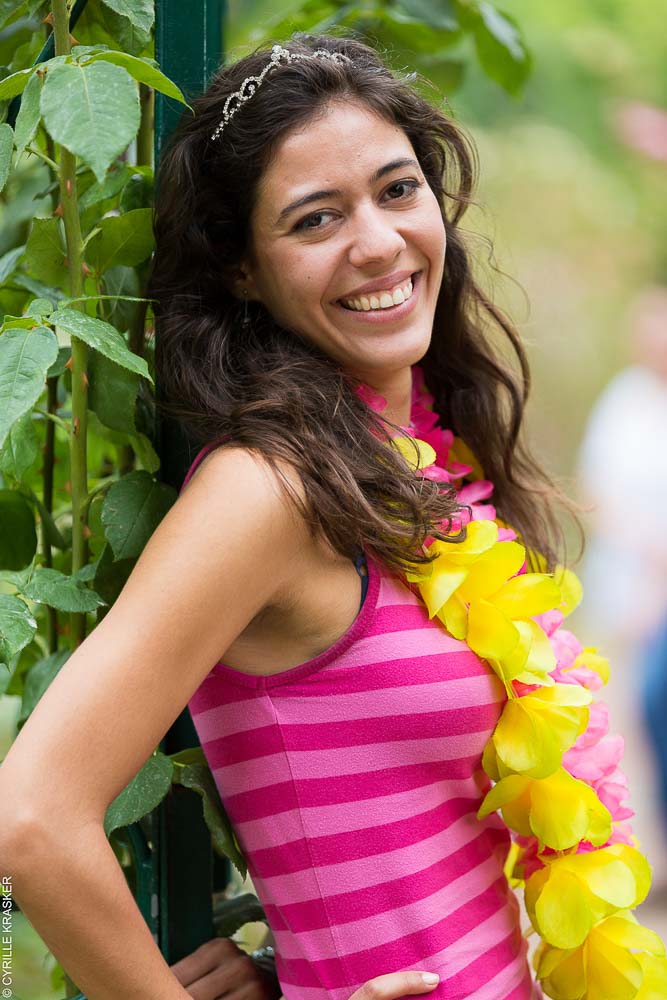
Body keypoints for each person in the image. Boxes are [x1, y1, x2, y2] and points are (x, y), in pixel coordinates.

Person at [0, 31, 589, 1000]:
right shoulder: (263, 489)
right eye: (316, 219)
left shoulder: (415, 462)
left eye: (397, 190)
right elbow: (29, 818)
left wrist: (286, 968)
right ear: (243, 270)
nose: (378, 241)